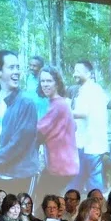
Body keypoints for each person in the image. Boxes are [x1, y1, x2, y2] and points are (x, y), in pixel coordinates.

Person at [0, 50, 40, 197]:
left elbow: (19, 143)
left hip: (21, 175)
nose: (17, 72)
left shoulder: (26, 103)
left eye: (18, 67)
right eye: (11, 67)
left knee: (18, 218)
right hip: (0, 172)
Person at [35, 66, 78, 198]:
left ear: (57, 83)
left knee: (43, 202)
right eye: (42, 81)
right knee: (48, 200)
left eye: (49, 81)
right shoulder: (58, 103)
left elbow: (38, 133)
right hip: (64, 164)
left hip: (61, 166)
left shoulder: (58, 105)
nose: (45, 84)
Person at [68, 60, 109, 192]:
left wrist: (64, 111)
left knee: (90, 180)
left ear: (90, 74)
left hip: (89, 144)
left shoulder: (89, 90)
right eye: (74, 71)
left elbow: (83, 113)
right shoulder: (96, 89)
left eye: (78, 71)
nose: (75, 74)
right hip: (91, 144)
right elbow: (109, 103)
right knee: (81, 178)